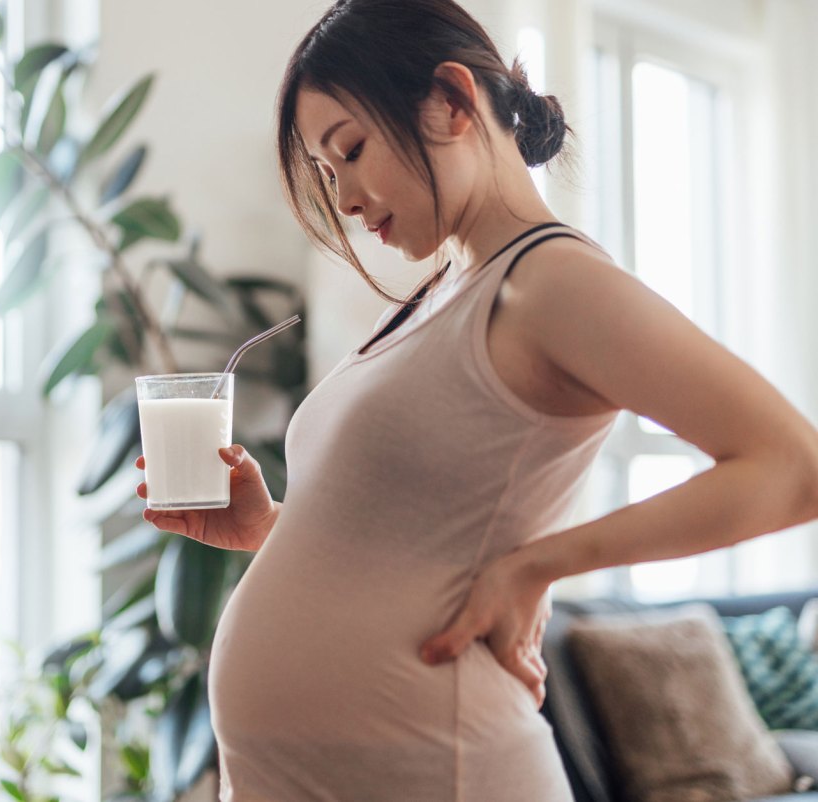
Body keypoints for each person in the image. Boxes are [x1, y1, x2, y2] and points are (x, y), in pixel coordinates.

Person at [135, 0, 818, 798]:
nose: (347, 201)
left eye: (349, 151)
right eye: (328, 174)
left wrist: (538, 568)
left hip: (446, 765)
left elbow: (793, 468)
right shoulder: (438, 293)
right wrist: (271, 532)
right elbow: (413, 545)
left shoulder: (552, 283)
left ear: (451, 101)